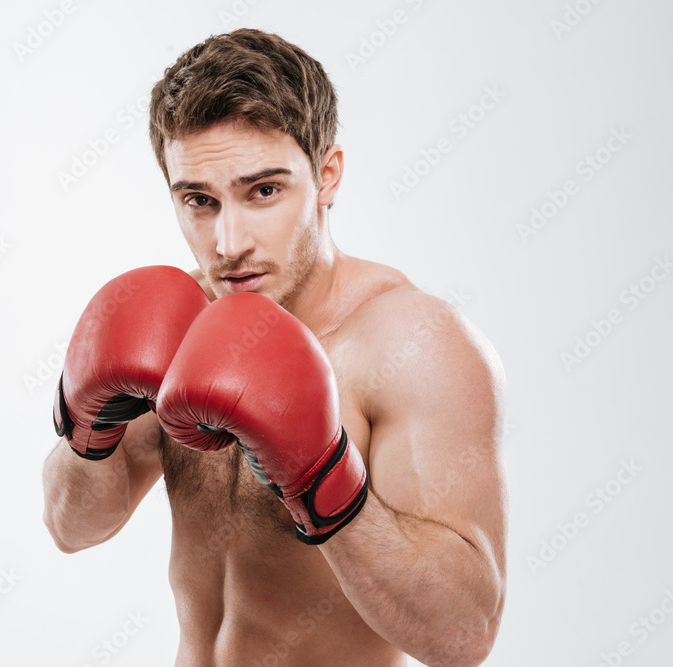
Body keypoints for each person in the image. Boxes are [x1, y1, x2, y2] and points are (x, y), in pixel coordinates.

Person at [43, 28, 507, 667]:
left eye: (263, 191)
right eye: (200, 201)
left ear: (326, 176)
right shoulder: (175, 325)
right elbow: (74, 528)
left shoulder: (412, 343)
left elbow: (464, 636)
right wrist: (85, 432)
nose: (228, 243)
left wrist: (324, 484)